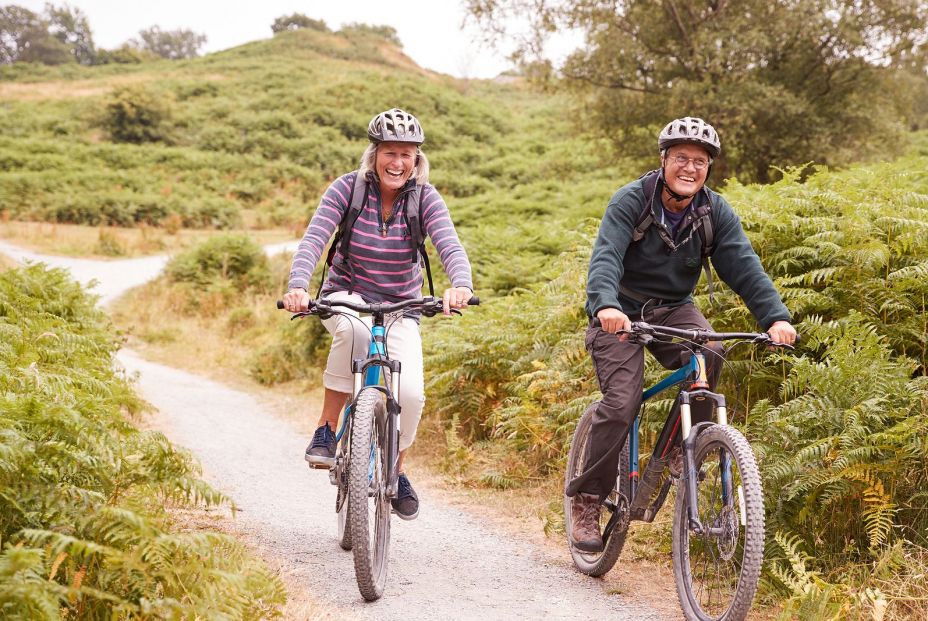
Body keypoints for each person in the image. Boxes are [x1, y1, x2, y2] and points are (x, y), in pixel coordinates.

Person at [565, 116, 797, 552]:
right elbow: (606, 258)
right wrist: (607, 306)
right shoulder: (631, 201)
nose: (690, 168)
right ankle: (588, 499)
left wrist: (775, 317)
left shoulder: (714, 211)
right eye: (681, 159)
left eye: (700, 161)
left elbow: (745, 268)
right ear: (664, 160)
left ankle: (679, 448)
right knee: (621, 402)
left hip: (674, 309)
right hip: (622, 311)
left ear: (709, 168)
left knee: (713, 350)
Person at [282, 108, 474, 520]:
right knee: (354, 333)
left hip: (402, 304)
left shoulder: (425, 197)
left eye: (407, 154)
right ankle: (327, 429)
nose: (398, 162)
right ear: (374, 155)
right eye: (390, 152)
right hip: (347, 294)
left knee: (411, 394)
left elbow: (449, 245)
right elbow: (314, 238)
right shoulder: (346, 190)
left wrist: (461, 285)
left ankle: (397, 470)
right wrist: (298, 285)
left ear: (417, 160)